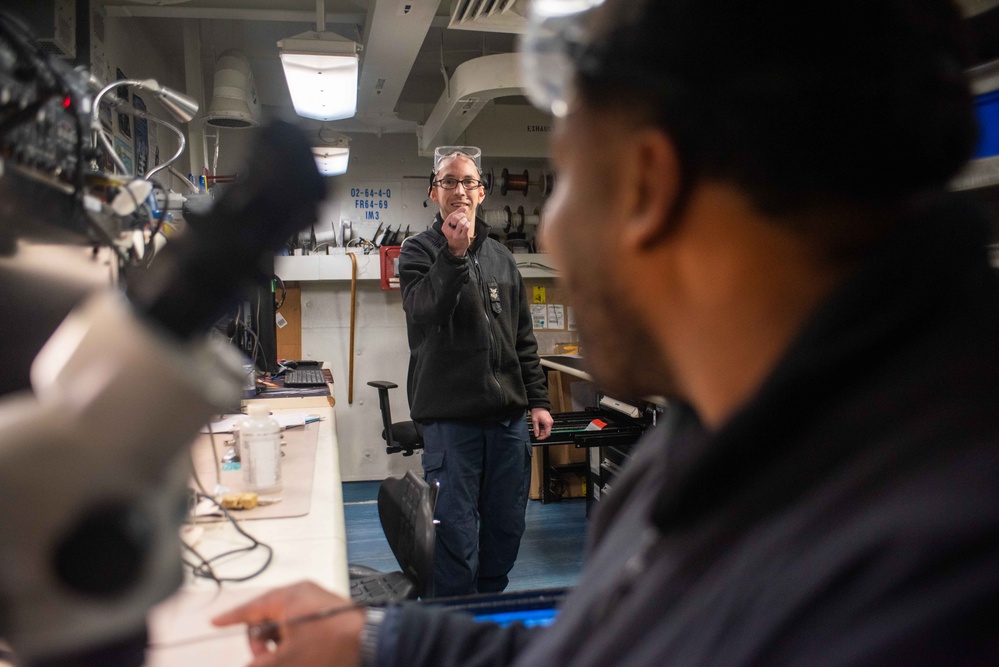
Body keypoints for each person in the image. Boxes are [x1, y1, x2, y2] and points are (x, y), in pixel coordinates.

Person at [213, 0, 999, 664]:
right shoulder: (720, 433)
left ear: (647, 185)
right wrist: (387, 642)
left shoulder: (919, 582)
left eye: (566, 175)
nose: (551, 235)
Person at [400, 144, 553, 597]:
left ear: (482, 193)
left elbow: (522, 336)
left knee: (506, 529)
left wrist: (539, 401)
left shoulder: (503, 258)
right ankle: (456, 627)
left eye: (468, 182)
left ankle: (487, 610)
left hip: (508, 424)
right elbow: (426, 311)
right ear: (434, 193)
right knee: (454, 539)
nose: (459, 190)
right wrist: (453, 254)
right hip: (451, 425)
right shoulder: (417, 252)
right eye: (449, 181)